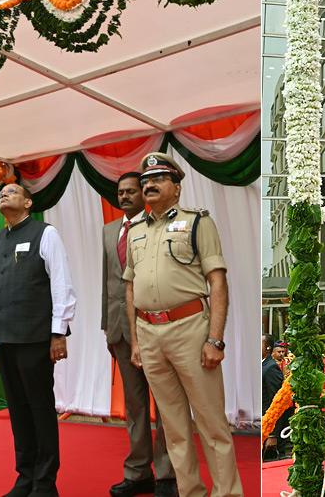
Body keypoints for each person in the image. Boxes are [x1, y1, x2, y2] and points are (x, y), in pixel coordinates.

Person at [124, 151, 241, 497]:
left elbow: (216, 281)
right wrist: (135, 340)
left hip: (190, 328)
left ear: (176, 187)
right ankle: (190, 492)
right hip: (148, 332)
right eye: (144, 181)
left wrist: (215, 340)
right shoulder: (135, 231)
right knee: (173, 427)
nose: (149, 185)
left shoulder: (198, 222)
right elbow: (131, 286)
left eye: (158, 179)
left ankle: (227, 494)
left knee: (211, 423)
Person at [0, 182, 76, 497]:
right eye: (1, 194)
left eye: (12, 191)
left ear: (27, 202)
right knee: (18, 410)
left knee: (39, 407)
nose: (4, 195)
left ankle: (45, 483)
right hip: (4, 337)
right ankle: (25, 478)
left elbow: (61, 283)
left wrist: (59, 331)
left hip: (36, 336)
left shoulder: (44, 233)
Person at [102, 173, 173, 497]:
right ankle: (138, 472)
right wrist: (108, 328)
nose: (126, 196)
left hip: (156, 328)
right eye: (121, 192)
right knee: (136, 407)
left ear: (143, 194)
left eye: (131, 191)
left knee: (166, 404)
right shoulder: (108, 231)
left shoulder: (158, 226)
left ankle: (168, 475)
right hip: (120, 331)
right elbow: (109, 283)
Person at [262, 334, 284, 461]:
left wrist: (273, 434)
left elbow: (276, 401)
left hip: (267, 426)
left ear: (267, 348)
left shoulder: (271, 368)